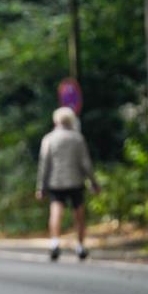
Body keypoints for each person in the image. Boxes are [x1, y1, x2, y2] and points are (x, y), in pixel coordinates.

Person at [36, 107, 100, 261]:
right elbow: (85, 163)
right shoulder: (77, 138)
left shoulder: (49, 139)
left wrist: (41, 187)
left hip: (56, 182)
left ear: (55, 120)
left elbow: (44, 165)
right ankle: (80, 246)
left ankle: (55, 243)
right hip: (75, 181)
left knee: (56, 212)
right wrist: (93, 182)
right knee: (79, 214)